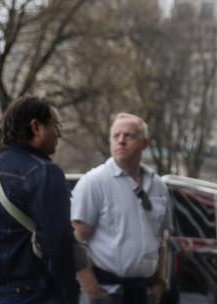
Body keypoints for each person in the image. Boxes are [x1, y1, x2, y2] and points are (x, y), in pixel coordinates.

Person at [0, 96, 80, 304]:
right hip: (32, 296)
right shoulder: (44, 173)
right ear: (36, 127)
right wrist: (70, 296)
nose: (59, 134)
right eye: (56, 126)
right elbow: (59, 247)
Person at [72, 113, 171, 303]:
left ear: (144, 143)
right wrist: (93, 291)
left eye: (129, 136)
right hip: (106, 293)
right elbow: (74, 241)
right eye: (115, 136)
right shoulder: (94, 182)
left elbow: (161, 238)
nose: (121, 141)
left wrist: (159, 283)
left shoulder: (158, 186)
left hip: (144, 294)